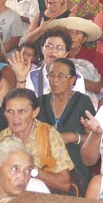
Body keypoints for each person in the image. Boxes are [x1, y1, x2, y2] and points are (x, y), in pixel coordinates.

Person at [0, 88, 76, 194]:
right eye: (10, 111)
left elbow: (65, 184)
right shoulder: (2, 138)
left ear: (35, 112)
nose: (15, 118)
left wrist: (31, 171)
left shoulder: (48, 134)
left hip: (43, 198)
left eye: (21, 111)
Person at [37, 58, 96, 191]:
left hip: (75, 165)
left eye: (60, 76)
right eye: (51, 75)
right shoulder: (40, 102)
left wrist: (72, 137)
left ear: (72, 80)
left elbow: (93, 141)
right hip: (44, 166)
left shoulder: (83, 102)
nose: (54, 80)